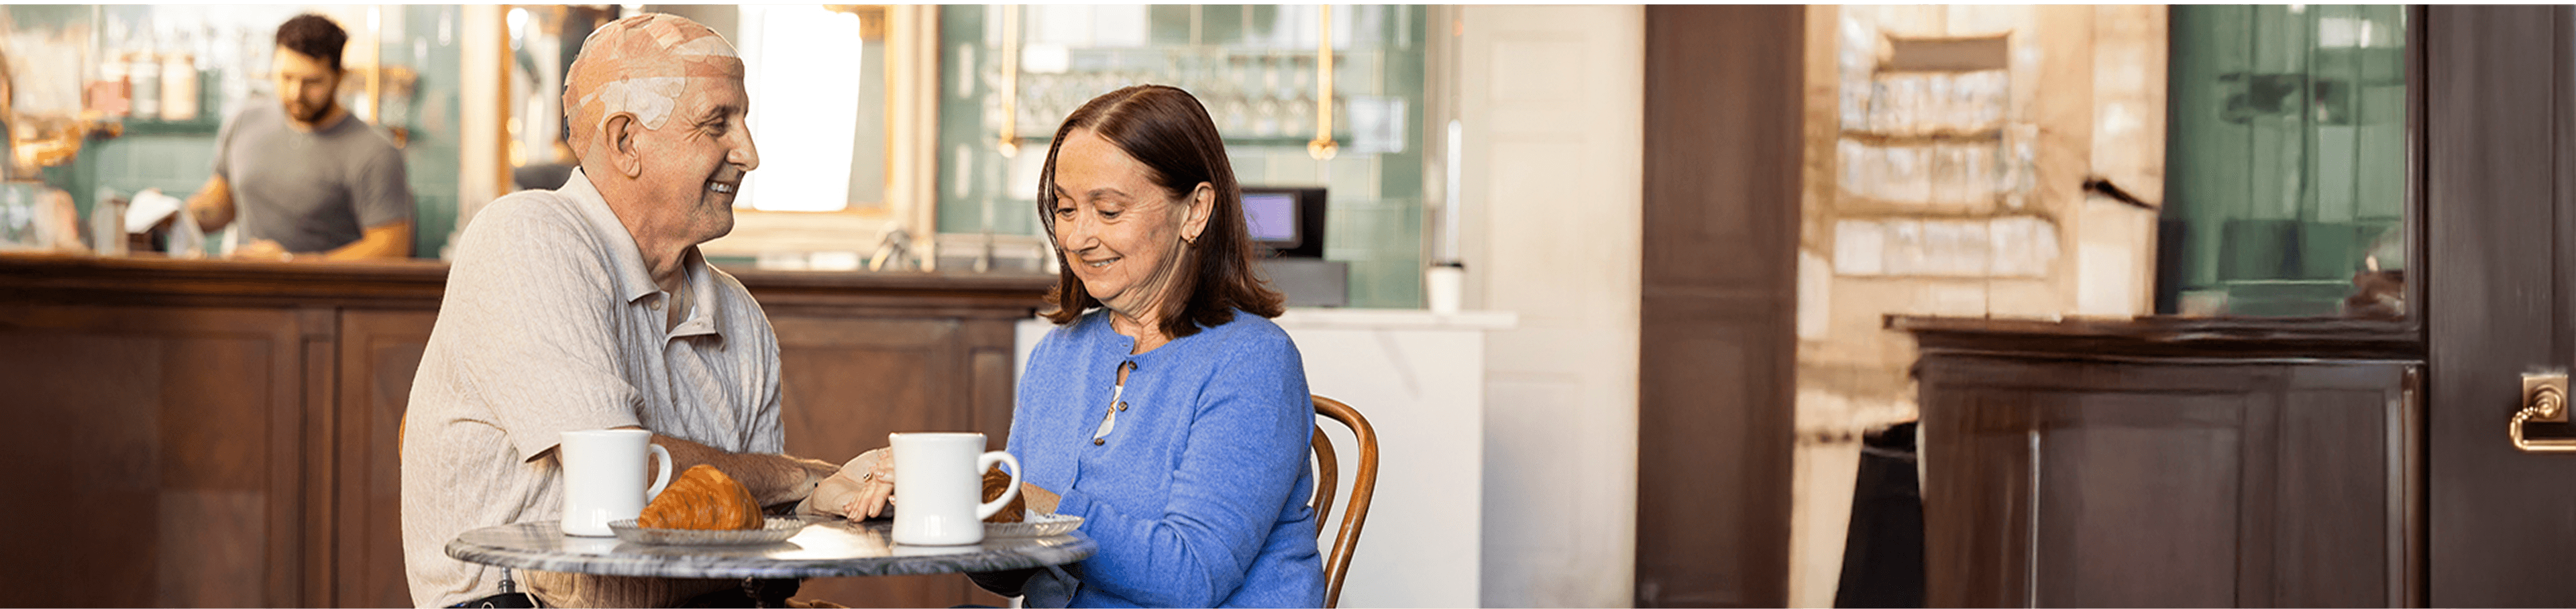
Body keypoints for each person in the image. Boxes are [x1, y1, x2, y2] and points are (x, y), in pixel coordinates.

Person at [807, 85, 1328, 608]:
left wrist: (1012, 496)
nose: (1077, 238)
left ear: (1195, 210)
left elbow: (1188, 577)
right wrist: (935, 500)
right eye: (1065, 208)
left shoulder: (1253, 362)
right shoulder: (1061, 354)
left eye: (1108, 211)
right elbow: (1013, 577)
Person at [400, 14, 845, 609]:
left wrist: (840, 494)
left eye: (744, 121)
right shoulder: (525, 236)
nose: (749, 153)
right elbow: (621, 470)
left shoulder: (739, 313)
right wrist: (803, 479)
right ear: (626, 141)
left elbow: (760, 546)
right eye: (719, 123)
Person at [185, 13, 414, 261]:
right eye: (286, 77)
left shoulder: (375, 152)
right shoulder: (244, 121)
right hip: (247, 294)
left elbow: (392, 248)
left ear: (339, 77)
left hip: (325, 298)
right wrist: (175, 216)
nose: (296, 93)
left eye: (312, 82)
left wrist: (290, 264)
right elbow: (223, 202)